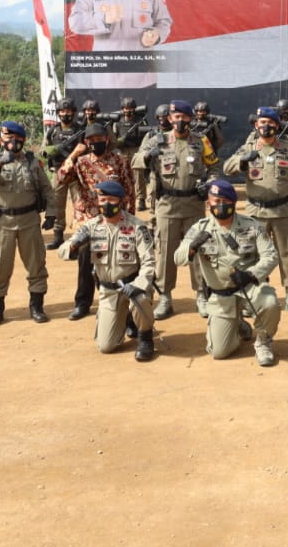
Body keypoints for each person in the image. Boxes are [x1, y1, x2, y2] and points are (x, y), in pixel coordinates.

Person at [176, 180, 281, 366]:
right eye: (215, 202)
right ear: (208, 204)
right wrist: (192, 247)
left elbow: (271, 256)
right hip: (221, 295)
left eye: (225, 201)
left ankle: (263, 341)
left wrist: (251, 274)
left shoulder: (251, 225)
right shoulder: (200, 228)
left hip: (248, 287)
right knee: (219, 352)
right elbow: (178, 258)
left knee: (270, 303)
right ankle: (237, 325)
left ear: (233, 202)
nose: (220, 206)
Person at [223, 107, 288, 316]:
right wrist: (242, 161)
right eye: (262, 122)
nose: (266, 126)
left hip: (284, 211)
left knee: (287, 255)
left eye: (270, 123)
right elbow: (227, 168)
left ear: (277, 125)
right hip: (256, 213)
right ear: (256, 125)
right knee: (253, 256)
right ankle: (257, 296)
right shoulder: (248, 146)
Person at [58, 180, 157, 360]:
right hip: (108, 291)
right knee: (106, 346)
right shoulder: (92, 226)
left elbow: (149, 262)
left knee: (140, 298)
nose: (106, 204)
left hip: (132, 286)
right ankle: (123, 319)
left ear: (121, 201)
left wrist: (139, 284)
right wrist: (74, 244)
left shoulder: (136, 226)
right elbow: (62, 251)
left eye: (112, 200)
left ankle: (146, 338)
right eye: (102, 199)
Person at [139, 100, 219, 319]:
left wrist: (209, 184)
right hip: (167, 206)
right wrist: (148, 155)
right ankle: (165, 297)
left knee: (198, 250)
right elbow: (135, 161)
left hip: (193, 205)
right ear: (170, 119)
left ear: (191, 119)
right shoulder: (157, 140)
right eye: (176, 117)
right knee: (165, 253)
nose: (180, 121)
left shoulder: (201, 141)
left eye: (184, 117)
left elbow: (214, 167)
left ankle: (201, 295)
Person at [0, 121, 56, 326]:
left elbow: (47, 189)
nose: (12, 142)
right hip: (3, 222)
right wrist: (0, 163)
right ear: (1, 140)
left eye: (16, 139)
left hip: (29, 220)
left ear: (22, 140)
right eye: (8, 138)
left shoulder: (32, 162)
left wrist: (52, 214)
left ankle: (36, 306)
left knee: (36, 264)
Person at [54, 122, 135, 320]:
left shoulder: (120, 160)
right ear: (86, 142)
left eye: (100, 139)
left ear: (107, 139)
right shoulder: (81, 162)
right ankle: (82, 303)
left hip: (114, 220)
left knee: (114, 262)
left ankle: (115, 303)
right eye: (92, 140)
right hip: (88, 220)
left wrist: (129, 220)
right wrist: (73, 155)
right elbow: (60, 179)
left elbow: (129, 191)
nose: (96, 143)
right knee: (84, 263)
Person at [42, 97, 85, 249]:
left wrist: (73, 157)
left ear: (73, 112)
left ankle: (81, 238)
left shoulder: (81, 130)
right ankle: (58, 236)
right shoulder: (53, 131)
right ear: (58, 113)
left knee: (80, 205)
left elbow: (85, 148)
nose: (65, 114)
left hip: (76, 173)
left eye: (68, 111)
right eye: (62, 111)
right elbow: (44, 150)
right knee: (57, 205)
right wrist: (50, 151)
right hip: (58, 173)